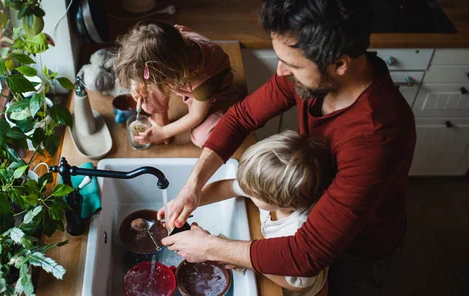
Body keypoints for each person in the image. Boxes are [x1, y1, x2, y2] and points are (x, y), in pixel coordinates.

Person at [160, 0, 416, 295]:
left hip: (358, 249)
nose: (280, 72)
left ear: (340, 64)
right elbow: (240, 118)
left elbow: (307, 254)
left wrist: (210, 247)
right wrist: (193, 185)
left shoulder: (378, 135)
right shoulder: (309, 79)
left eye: (292, 64)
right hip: (306, 216)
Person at [198, 131, 332, 295]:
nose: (245, 190)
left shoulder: (298, 229)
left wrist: (243, 260)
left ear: (279, 203)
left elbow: (296, 283)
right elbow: (227, 187)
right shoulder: (269, 189)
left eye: (252, 193)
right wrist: (193, 201)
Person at [114, 20, 241, 147]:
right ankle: (160, 118)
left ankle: (225, 108)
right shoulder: (168, 40)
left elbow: (196, 115)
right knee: (145, 89)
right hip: (178, 76)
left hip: (214, 95)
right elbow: (145, 61)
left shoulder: (205, 77)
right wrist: (136, 83)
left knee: (203, 138)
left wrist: (164, 132)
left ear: (171, 74)